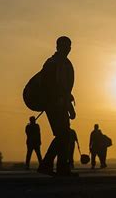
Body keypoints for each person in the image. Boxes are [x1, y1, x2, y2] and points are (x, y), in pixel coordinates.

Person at [37, 36, 77, 177]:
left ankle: (59, 168)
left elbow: (66, 90)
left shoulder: (65, 64)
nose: (68, 48)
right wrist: (57, 99)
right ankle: (50, 166)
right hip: (53, 105)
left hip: (62, 105)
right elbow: (47, 86)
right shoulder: (51, 63)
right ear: (58, 46)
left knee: (64, 136)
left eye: (69, 46)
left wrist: (69, 107)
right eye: (65, 45)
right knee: (63, 135)